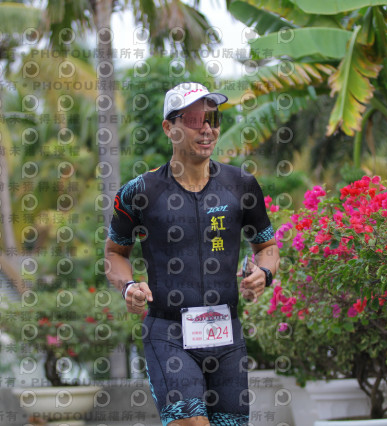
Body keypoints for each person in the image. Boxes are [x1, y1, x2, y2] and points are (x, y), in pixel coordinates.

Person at [104, 82, 279, 426]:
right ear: (169, 128)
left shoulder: (241, 185)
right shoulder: (139, 192)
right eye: (195, 120)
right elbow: (114, 253)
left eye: (213, 119)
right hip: (169, 335)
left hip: (226, 335)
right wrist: (128, 286)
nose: (207, 129)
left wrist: (264, 273)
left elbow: (267, 248)